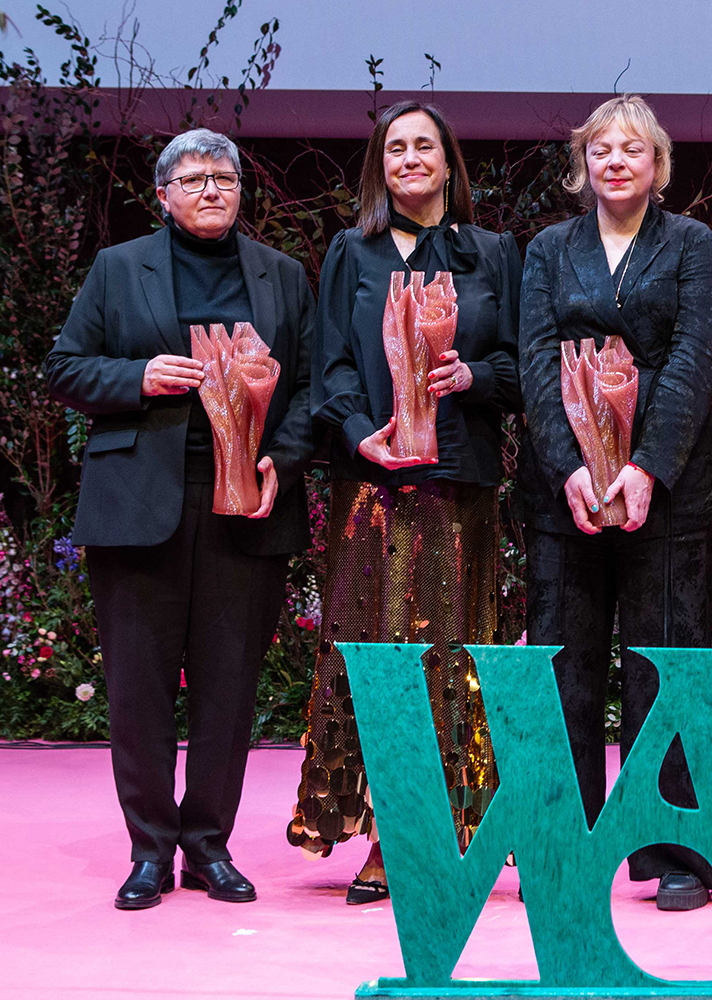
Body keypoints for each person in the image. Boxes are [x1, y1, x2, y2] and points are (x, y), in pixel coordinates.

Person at [47, 128, 317, 910]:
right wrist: (139, 375)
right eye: (192, 178)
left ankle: (208, 847)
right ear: (162, 194)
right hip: (138, 501)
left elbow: (308, 389)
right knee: (138, 688)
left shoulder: (283, 275)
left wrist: (284, 459)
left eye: (224, 177)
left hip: (247, 502)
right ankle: (148, 850)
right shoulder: (117, 268)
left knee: (230, 688)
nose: (210, 189)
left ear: (241, 190)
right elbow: (65, 366)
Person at [285, 101, 521, 905]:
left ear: (449, 163)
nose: (411, 158)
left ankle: (443, 831)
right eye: (396, 148)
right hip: (373, 488)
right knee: (379, 664)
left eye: (425, 146)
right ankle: (386, 830)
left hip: (461, 487)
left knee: (452, 661)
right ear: (380, 166)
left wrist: (475, 378)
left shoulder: (493, 253)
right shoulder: (350, 253)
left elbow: (523, 372)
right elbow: (331, 367)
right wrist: (359, 433)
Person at [517, 95, 712, 912]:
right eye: (600, 149)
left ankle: (676, 847)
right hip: (562, 491)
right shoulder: (546, 250)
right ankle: (568, 846)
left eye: (632, 150)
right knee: (564, 667)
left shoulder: (690, 244)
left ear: (657, 166)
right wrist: (570, 466)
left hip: (668, 489)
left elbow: (694, 353)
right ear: (582, 165)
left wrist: (645, 466)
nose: (615, 162)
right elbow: (536, 361)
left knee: (664, 664)